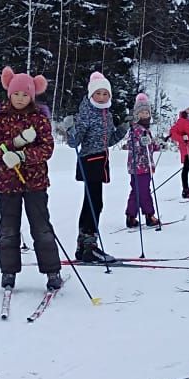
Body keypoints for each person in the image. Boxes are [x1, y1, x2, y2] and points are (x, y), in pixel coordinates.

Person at [0, 66, 60, 291]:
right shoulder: (0, 118)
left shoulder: (39, 118)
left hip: (35, 182)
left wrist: (22, 155)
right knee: (8, 228)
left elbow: (47, 148)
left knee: (41, 227)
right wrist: (4, 152)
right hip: (7, 183)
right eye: (16, 93)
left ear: (32, 95)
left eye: (25, 94)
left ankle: (52, 270)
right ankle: (8, 272)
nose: (20, 98)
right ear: (9, 92)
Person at [65, 71, 128, 262]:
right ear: (91, 95)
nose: (101, 97)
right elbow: (75, 142)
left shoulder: (106, 114)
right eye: (98, 93)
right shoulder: (87, 114)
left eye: (105, 94)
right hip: (89, 161)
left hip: (101, 160)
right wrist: (70, 129)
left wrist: (123, 129)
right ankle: (89, 245)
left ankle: (84, 245)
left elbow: (108, 141)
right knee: (94, 203)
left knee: (92, 203)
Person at [124, 93, 161, 228]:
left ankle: (131, 216)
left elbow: (150, 145)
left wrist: (157, 145)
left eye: (147, 112)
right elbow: (131, 145)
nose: (145, 115)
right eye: (142, 112)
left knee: (137, 191)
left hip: (145, 166)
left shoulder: (146, 129)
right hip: (139, 167)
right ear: (137, 114)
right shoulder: (135, 129)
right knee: (144, 191)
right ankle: (149, 215)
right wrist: (141, 143)